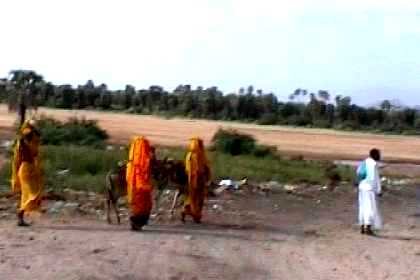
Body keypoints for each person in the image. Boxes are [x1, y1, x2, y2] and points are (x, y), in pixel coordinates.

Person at [11, 120, 43, 227]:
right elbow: (28, 134)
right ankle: (20, 215)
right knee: (31, 194)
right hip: (25, 169)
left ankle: (20, 217)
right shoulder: (24, 140)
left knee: (31, 194)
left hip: (29, 168)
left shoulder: (29, 140)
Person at [125, 137, 154, 231]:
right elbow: (145, 167)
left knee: (136, 201)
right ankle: (138, 222)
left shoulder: (132, 163)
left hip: (134, 181)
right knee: (141, 202)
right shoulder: (142, 159)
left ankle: (137, 222)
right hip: (140, 182)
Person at [182, 137, 211, 223]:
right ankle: (196, 215)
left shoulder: (190, 155)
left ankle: (187, 211)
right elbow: (203, 169)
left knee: (192, 198)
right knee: (197, 199)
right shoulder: (198, 156)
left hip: (193, 180)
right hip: (197, 180)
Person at [358, 148, 382, 235]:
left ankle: (362, 226)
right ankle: (368, 227)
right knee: (370, 208)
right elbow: (375, 179)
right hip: (369, 188)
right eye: (379, 154)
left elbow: (360, 174)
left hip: (361, 187)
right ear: (375, 155)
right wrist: (379, 190)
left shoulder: (364, 162)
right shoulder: (373, 164)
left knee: (362, 207)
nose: (380, 156)